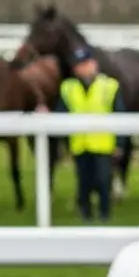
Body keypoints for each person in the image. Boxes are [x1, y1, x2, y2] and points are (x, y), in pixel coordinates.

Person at [53, 47, 123, 223]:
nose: (83, 69)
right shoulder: (68, 88)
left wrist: (120, 144)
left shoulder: (110, 86)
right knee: (83, 181)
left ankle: (104, 214)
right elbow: (61, 113)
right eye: (79, 65)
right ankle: (86, 215)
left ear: (94, 64)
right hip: (80, 143)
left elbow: (120, 116)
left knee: (103, 180)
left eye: (85, 64)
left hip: (103, 143)